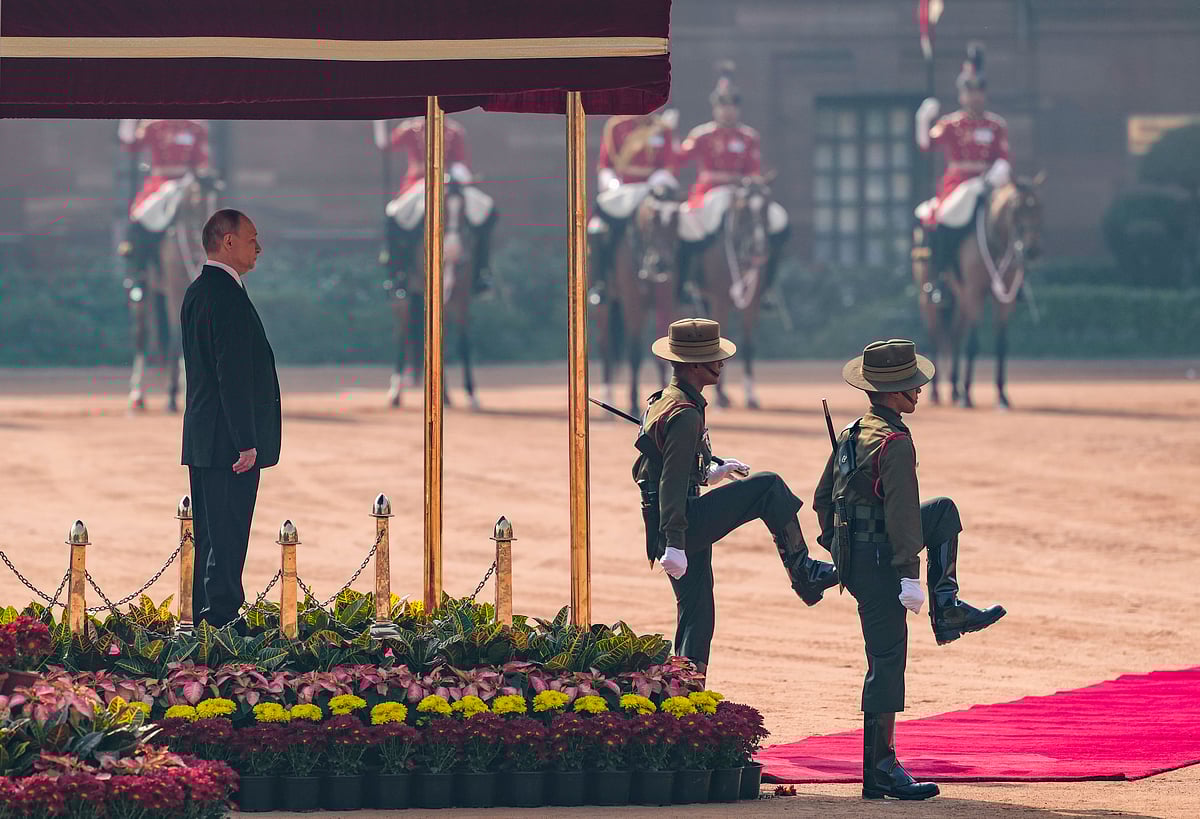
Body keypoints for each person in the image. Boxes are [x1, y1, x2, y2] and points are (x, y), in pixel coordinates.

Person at [814, 339, 1006, 800]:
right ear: (890, 391)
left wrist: (840, 551)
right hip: (882, 563)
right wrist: (907, 574)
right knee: (886, 661)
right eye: (910, 385)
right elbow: (900, 516)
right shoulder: (895, 443)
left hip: (859, 558)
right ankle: (881, 769)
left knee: (942, 512)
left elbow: (823, 500)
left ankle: (948, 607)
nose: (918, 390)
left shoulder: (854, 431)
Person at [632, 318, 838, 669]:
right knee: (769, 487)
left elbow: (653, 468)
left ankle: (688, 690)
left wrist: (709, 472)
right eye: (713, 358)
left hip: (669, 520)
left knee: (697, 615)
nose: (721, 363)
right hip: (681, 521)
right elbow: (671, 481)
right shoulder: (684, 413)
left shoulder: (665, 401)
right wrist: (676, 541)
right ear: (693, 365)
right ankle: (803, 571)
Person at [180, 209, 280, 629]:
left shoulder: (197, 291)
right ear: (228, 242)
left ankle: (205, 613)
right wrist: (246, 441)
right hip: (228, 444)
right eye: (252, 239)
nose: (259, 247)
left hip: (204, 437)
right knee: (227, 533)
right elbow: (231, 375)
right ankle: (220, 620)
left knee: (210, 533)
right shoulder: (227, 296)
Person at [675, 62, 789, 302]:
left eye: (732, 107)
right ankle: (689, 282)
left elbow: (753, 169)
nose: (728, 112)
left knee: (778, 220)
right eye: (723, 106)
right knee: (687, 226)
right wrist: (668, 136)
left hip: (739, 193)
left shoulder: (748, 137)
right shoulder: (702, 135)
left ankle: (767, 285)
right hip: (710, 192)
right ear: (715, 109)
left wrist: (752, 182)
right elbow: (679, 158)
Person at [914, 42, 1011, 279]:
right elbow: (926, 145)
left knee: (1014, 217)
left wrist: (998, 172)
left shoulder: (996, 125)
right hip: (959, 185)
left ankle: (1015, 278)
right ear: (962, 95)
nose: (975, 97)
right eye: (969, 92)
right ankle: (942, 271)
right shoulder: (951, 124)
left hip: (988, 184)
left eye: (979, 91)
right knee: (945, 218)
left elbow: (1004, 157)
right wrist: (923, 119)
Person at [374, 116, 497, 295]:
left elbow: (461, 162)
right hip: (420, 184)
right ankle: (398, 273)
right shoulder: (410, 130)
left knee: (488, 211)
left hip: (451, 183)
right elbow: (386, 145)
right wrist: (379, 119)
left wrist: (455, 176)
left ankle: (482, 271)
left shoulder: (454, 131)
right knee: (394, 214)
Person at [588, 108, 680, 305]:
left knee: (676, 223)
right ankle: (600, 282)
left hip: (653, 189)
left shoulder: (662, 129)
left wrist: (655, 184)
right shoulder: (616, 126)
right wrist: (612, 184)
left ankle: (683, 284)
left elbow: (668, 164)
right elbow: (605, 165)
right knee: (596, 228)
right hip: (624, 189)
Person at [118, 119, 212, 280]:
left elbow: (201, 161)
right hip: (160, 183)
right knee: (141, 213)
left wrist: (202, 176)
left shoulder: (195, 128)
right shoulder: (154, 126)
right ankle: (139, 270)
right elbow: (132, 146)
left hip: (186, 182)